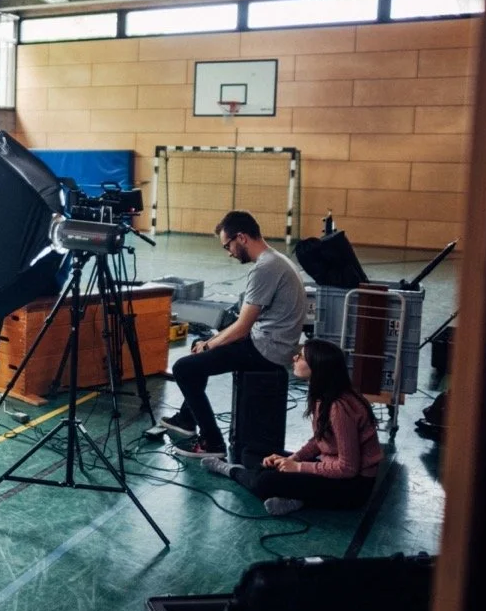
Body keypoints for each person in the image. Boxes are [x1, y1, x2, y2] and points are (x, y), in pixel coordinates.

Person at [162, 210, 307, 458]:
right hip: (272, 341)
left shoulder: (265, 268)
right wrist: (207, 343)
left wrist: (210, 347)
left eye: (227, 245)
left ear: (241, 237)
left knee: (184, 368)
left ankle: (213, 442)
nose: (228, 253)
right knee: (201, 343)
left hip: (267, 350)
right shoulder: (277, 259)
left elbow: (241, 329)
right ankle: (187, 418)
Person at [200, 338, 384, 516]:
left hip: (352, 487)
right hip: (328, 466)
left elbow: (348, 468)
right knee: (250, 451)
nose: (295, 358)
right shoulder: (324, 395)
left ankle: (230, 470)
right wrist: (292, 459)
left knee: (265, 482)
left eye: (301, 357)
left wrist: (297, 467)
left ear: (317, 367)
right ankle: (296, 497)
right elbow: (319, 441)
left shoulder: (339, 407)